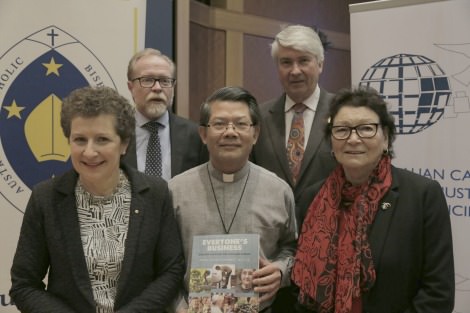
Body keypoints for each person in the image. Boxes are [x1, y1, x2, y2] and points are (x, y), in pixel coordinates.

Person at [10, 86, 185, 313]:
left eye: (102, 139)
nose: (89, 152)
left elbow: (171, 270)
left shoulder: (155, 193)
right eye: (80, 140)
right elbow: (24, 284)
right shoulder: (46, 198)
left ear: (123, 144)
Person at [291, 86, 455, 313]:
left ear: (386, 138)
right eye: (342, 130)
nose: (353, 139)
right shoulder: (311, 198)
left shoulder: (422, 195)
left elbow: (438, 293)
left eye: (366, 129)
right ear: (331, 140)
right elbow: (299, 287)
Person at [168, 86, 297, 312]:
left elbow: (293, 249)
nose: (230, 132)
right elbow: (161, 264)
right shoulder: (175, 190)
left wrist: (280, 270)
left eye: (240, 124)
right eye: (219, 124)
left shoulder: (278, 190)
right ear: (203, 134)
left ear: (255, 134)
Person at [251, 24, 337, 201]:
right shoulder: (258, 116)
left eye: (304, 60)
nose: (295, 70)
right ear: (277, 67)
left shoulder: (343, 112)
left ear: (320, 64)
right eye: (286, 62)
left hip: (330, 223)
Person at [122, 48, 207, 180]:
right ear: (131, 87)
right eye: (148, 80)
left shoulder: (195, 135)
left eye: (165, 81)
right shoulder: (117, 133)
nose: (157, 88)